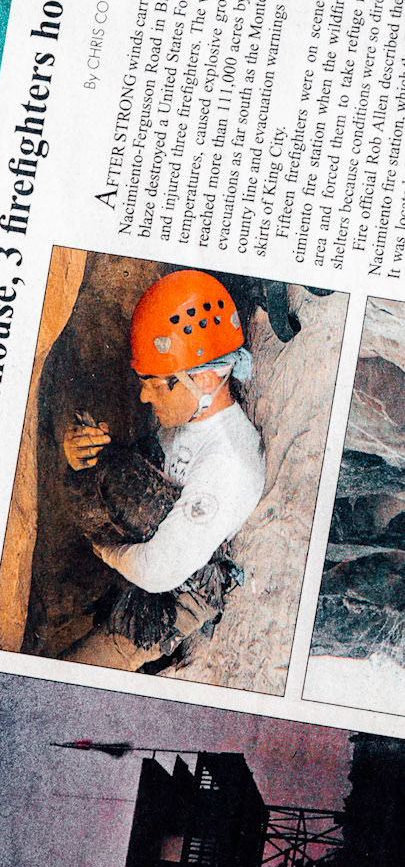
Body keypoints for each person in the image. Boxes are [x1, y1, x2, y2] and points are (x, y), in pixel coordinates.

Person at [61, 270, 266, 671]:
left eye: (154, 384)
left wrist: (105, 550)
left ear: (204, 379)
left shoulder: (228, 463)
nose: (143, 395)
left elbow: (158, 571)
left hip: (167, 602)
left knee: (67, 673)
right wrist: (83, 457)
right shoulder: (186, 420)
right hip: (140, 567)